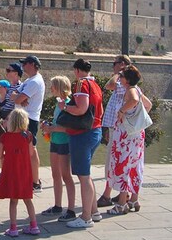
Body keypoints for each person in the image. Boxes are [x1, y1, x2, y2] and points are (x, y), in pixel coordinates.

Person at [62, 58, 104, 229]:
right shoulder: (96, 85)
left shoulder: (81, 84)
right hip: (96, 130)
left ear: (77, 70)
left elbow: (81, 108)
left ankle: (86, 217)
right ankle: (94, 211)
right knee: (86, 174)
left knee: (83, 176)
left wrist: (64, 107)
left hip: (82, 133)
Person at [107, 65, 151, 215]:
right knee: (134, 166)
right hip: (136, 134)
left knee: (123, 165)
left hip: (126, 136)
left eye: (122, 76)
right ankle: (134, 199)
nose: (119, 78)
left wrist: (122, 111)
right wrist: (136, 119)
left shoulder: (131, 90)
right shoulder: (138, 89)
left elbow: (133, 100)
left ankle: (121, 204)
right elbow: (148, 105)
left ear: (127, 79)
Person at [0, 109, 39, 236]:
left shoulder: (4, 137)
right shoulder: (28, 135)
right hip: (25, 171)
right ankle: (34, 225)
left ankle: (13, 228)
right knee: (28, 199)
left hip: (11, 171)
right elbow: (31, 153)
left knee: (13, 201)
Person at [41, 76, 77, 222]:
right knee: (56, 174)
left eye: (53, 86)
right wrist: (48, 127)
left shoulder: (68, 104)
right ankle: (57, 205)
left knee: (66, 175)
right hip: (55, 141)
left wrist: (52, 128)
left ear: (60, 87)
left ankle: (71, 209)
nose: (51, 89)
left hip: (64, 142)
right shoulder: (59, 104)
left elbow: (69, 127)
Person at [98, 55, 131, 207]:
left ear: (122, 64)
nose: (113, 67)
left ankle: (107, 195)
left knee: (112, 162)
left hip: (117, 128)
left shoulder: (121, 83)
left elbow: (108, 85)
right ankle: (124, 193)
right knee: (119, 161)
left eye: (115, 64)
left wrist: (119, 72)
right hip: (115, 127)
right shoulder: (127, 85)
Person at [12, 55, 45, 191]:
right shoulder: (29, 80)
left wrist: (19, 98)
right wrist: (19, 98)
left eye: (24, 63)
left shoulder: (34, 82)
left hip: (29, 119)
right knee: (24, 149)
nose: (23, 66)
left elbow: (17, 98)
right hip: (23, 117)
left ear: (32, 64)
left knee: (31, 149)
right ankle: (29, 178)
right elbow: (14, 94)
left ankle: (35, 181)